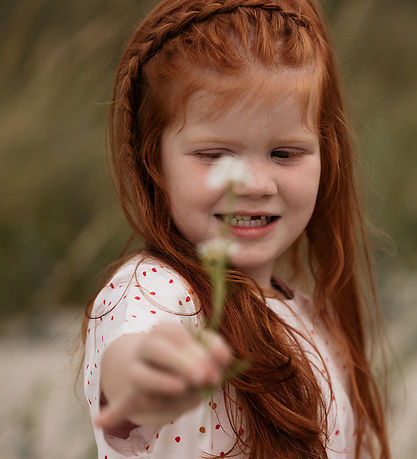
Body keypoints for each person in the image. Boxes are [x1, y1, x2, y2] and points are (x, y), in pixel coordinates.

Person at [81, 1, 391, 457]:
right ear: (154, 162)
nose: (256, 185)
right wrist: (141, 375)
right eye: (216, 155)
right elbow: (130, 357)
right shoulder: (155, 290)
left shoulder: (308, 313)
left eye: (285, 153)